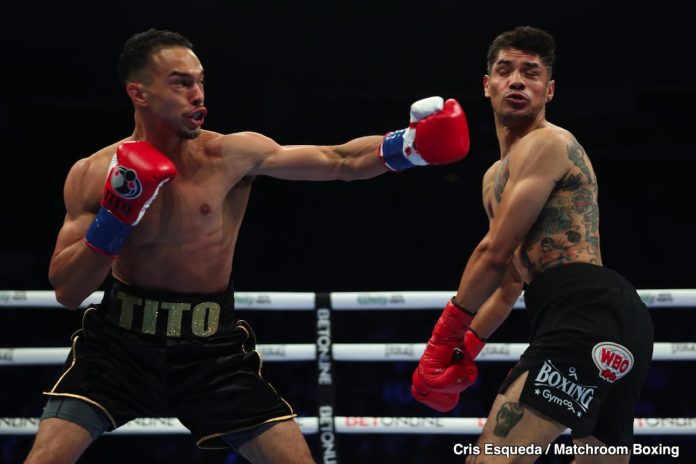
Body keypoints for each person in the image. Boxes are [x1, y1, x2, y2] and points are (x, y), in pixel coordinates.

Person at [24, 28, 470, 464]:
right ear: (138, 93)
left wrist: (410, 146)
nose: (197, 95)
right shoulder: (95, 172)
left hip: (212, 354)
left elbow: (340, 161)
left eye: (200, 82)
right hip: (118, 349)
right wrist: (116, 216)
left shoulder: (230, 156)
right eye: (180, 83)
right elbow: (68, 290)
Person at [411, 26, 653, 463]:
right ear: (487, 85)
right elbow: (508, 286)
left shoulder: (548, 142)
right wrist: (468, 347)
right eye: (505, 71)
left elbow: (494, 251)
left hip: (583, 310)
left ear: (549, 90)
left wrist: (442, 341)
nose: (517, 81)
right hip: (602, 317)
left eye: (531, 72)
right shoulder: (494, 178)